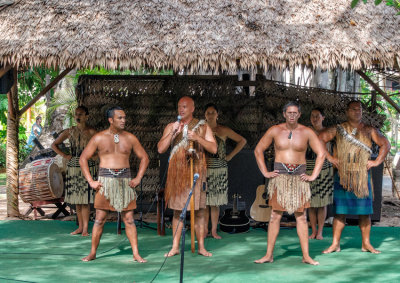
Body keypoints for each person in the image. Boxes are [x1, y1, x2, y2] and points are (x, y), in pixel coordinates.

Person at [253, 101, 325, 265]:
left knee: (301, 217)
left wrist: (313, 175)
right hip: (280, 178)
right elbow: (258, 150)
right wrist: (265, 172)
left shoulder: (306, 132)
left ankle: (306, 256)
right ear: (284, 114)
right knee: (274, 216)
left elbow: (321, 153)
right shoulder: (275, 130)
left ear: (299, 114)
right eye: (289, 113)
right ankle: (268, 255)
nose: (292, 115)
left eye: (295, 113)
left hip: (299, 179)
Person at [79, 106, 149, 262]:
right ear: (110, 120)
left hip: (125, 182)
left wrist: (138, 178)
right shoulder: (98, 138)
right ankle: (92, 252)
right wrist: (91, 181)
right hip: (105, 182)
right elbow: (83, 158)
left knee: (129, 219)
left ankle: (136, 253)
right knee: (99, 219)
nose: (124, 120)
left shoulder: (130, 138)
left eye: (124, 118)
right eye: (120, 118)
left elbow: (144, 157)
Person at [319, 100, 390, 254]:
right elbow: (320, 138)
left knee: (364, 213)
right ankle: (335, 244)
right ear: (347, 111)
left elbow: (385, 144)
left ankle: (366, 244)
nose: (357, 111)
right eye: (353, 109)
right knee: (339, 212)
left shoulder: (369, 130)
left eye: (359, 109)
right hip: (343, 175)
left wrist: (376, 161)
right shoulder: (339, 129)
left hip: (362, 177)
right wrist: (330, 158)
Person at [157, 96, 217, 257]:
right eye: (179, 107)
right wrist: (172, 134)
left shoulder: (202, 126)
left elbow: (213, 148)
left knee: (199, 211)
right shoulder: (172, 126)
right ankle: (175, 247)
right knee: (178, 211)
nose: (181, 109)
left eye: (184, 106)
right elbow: (161, 149)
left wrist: (197, 138)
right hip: (177, 173)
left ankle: (201, 247)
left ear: (192, 108)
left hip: (196, 172)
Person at [51, 106, 97, 236]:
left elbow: (104, 145)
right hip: (73, 166)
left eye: (81, 114)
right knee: (77, 199)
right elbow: (54, 145)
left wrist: (95, 156)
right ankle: (80, 227)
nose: (78, 116)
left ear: (87, 116)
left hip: (87, 167)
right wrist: (65, 155)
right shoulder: (70, 131)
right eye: (76, 114)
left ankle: (86, 229)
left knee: (85, 199)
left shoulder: (92, 132)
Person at [203, 103, 246, 239]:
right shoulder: (200, 130)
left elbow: (242, 141)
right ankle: (204, 230)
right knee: (204, 202)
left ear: (217, 114)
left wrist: (230, 156)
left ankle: (214, 230)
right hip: (203, 169)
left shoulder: (223, 130)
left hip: (219, 169)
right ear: (204, 115)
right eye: (208, 112)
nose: (210, 115)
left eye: (213, 112)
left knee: (214, 202)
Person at [306, 108, 334, 240]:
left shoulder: (329, 132)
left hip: (325, 168)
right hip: (308, 167)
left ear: (323, 117)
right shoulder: (306, 131)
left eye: (317, 116)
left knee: (322, 202)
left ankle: (320, 232)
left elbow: (334, 151)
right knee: (310, 202)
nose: (315, 118)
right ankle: (313, 231)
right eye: (312, 116)